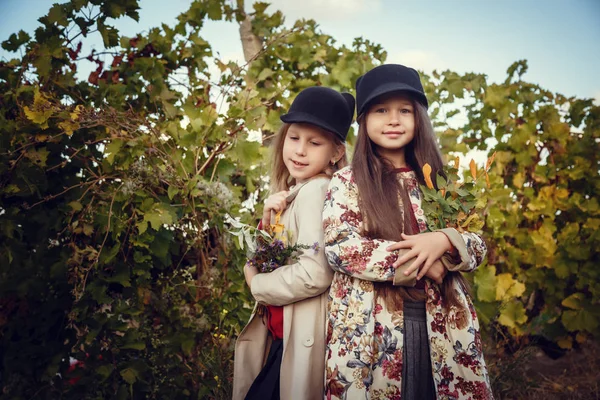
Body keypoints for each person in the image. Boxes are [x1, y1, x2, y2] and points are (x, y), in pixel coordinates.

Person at [323, 64, 493, 400]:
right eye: (381, 110)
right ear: (364, 121)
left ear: (419, 119)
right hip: (372, 326)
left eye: (404, 110)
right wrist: (422, 262)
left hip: (442, 322)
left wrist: (445, 240)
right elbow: (340, 247)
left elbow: (477, 243)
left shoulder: (442, 183)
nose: (393, 119)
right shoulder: (348, 181)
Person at [233, 86, 355, 400]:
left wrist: (257, 283)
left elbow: (315, 273)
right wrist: (270, 218)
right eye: (294, 137)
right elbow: (278, 256)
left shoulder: (317, 190)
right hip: (283, 340)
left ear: (336, 152)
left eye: (314, 143)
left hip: (298, 339)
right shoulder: (296, 193)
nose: (300, 151)